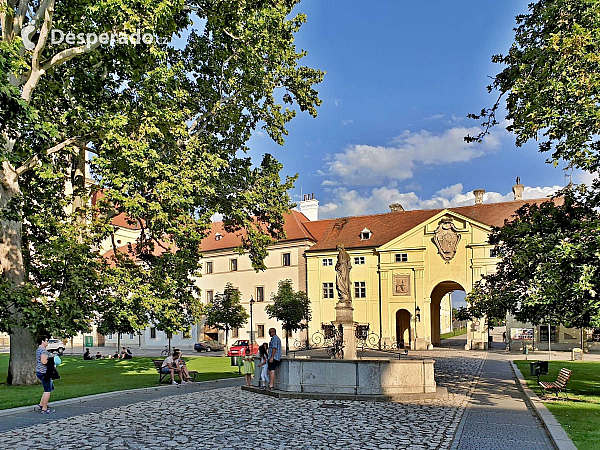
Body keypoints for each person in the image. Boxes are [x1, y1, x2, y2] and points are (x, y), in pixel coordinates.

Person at [35, 335, 55, 414]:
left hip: (40, 371)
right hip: (44, 372)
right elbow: (44, 361)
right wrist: (52, 361)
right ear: (42, 341)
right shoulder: (43, 351)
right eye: (46, 340)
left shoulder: (38, 350)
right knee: (47, 390)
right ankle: (44, 408)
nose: (47, 342)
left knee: (48, 388)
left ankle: (41, 404)